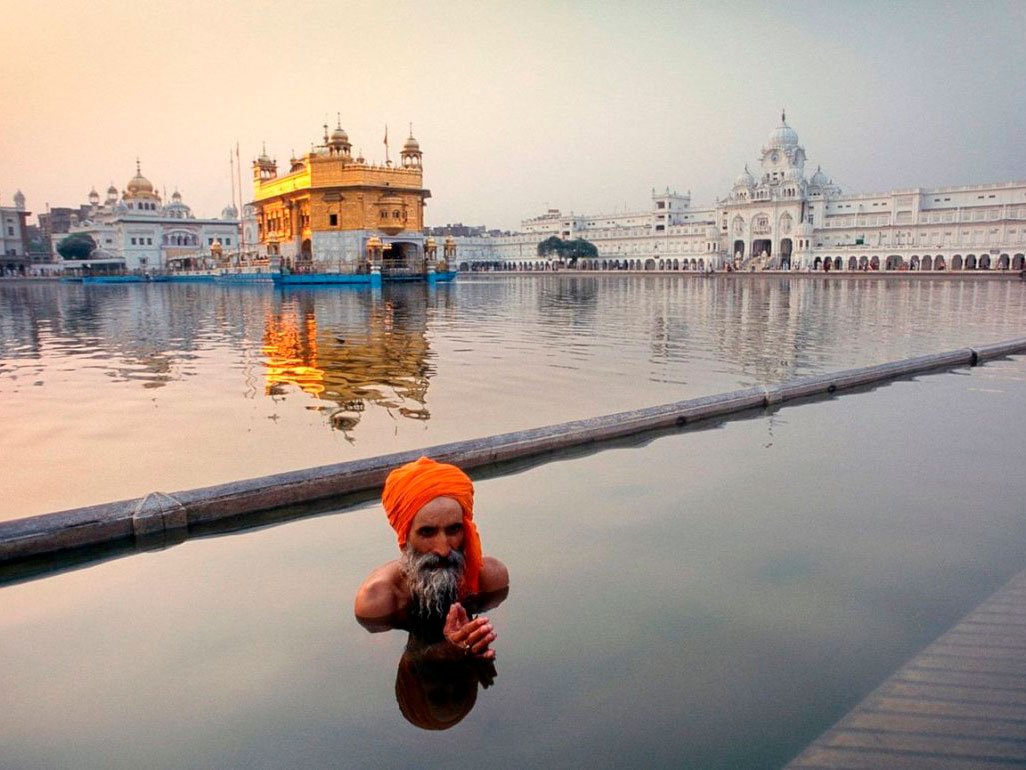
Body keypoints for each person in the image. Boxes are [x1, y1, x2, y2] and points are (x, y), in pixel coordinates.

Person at [355, 456, 509, 659]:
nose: (443, 550)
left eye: (454, 530)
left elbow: (508, 642)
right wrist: (447, 650)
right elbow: (383, 666)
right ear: (405, 537)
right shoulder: (378, 600)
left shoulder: (490, 578)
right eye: (427, 532)